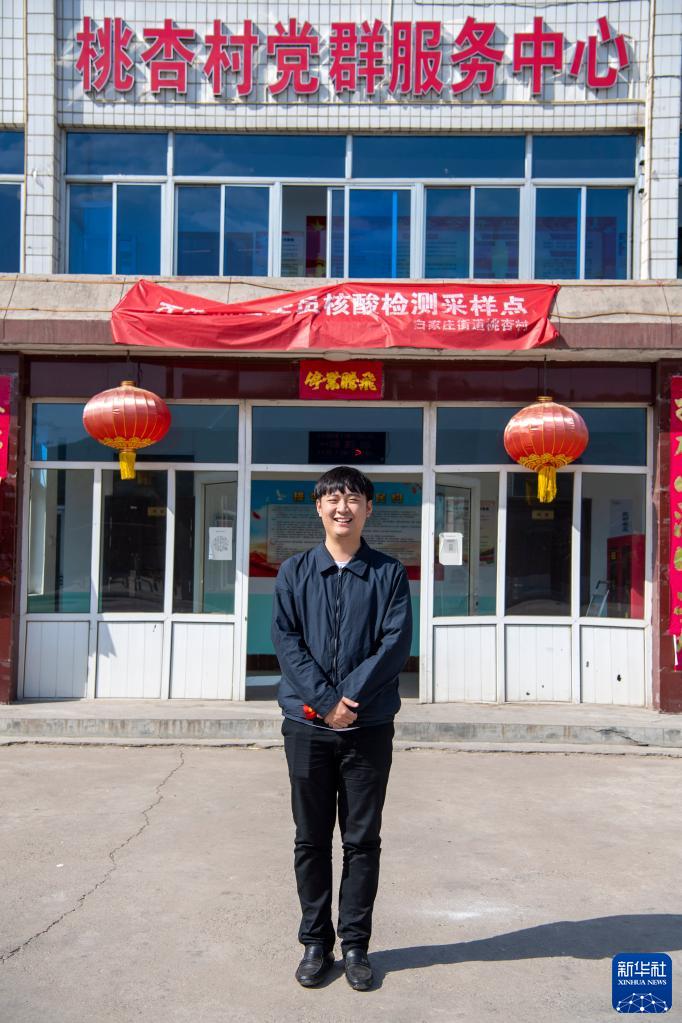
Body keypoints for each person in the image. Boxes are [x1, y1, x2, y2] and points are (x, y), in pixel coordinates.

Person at [271, 465, 413, 991]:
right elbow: (286, 641)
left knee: (361, 840)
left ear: (368, 509)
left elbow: (394, 644)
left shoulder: (388, 573)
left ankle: (355, 945)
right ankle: (315, 942)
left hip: (367, 727)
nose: (342, 507)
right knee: (310, 839)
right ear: (318, 507)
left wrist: (348, 701)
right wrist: (326, 703)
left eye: (353, 498)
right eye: (333, 498)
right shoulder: (295, 572)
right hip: (306, 727)